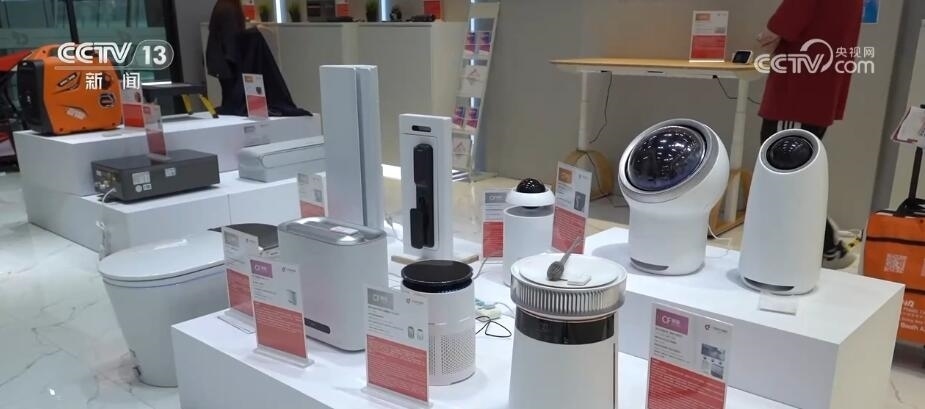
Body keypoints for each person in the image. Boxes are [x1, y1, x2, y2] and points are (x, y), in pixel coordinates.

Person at [756, 0, 863, 269]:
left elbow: (795, 11)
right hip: (817, 77)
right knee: (794, 169)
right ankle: (822, 245)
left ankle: (827, 246)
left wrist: (774, 29)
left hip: (800, 83)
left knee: (783, 168)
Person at [206, 0, 246, 108]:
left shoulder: (222, 5)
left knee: (228, 96)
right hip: (227, 63)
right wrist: (237, 63)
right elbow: (230, 39)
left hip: (220, 61)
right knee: (232, 99)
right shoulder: (229, 9)